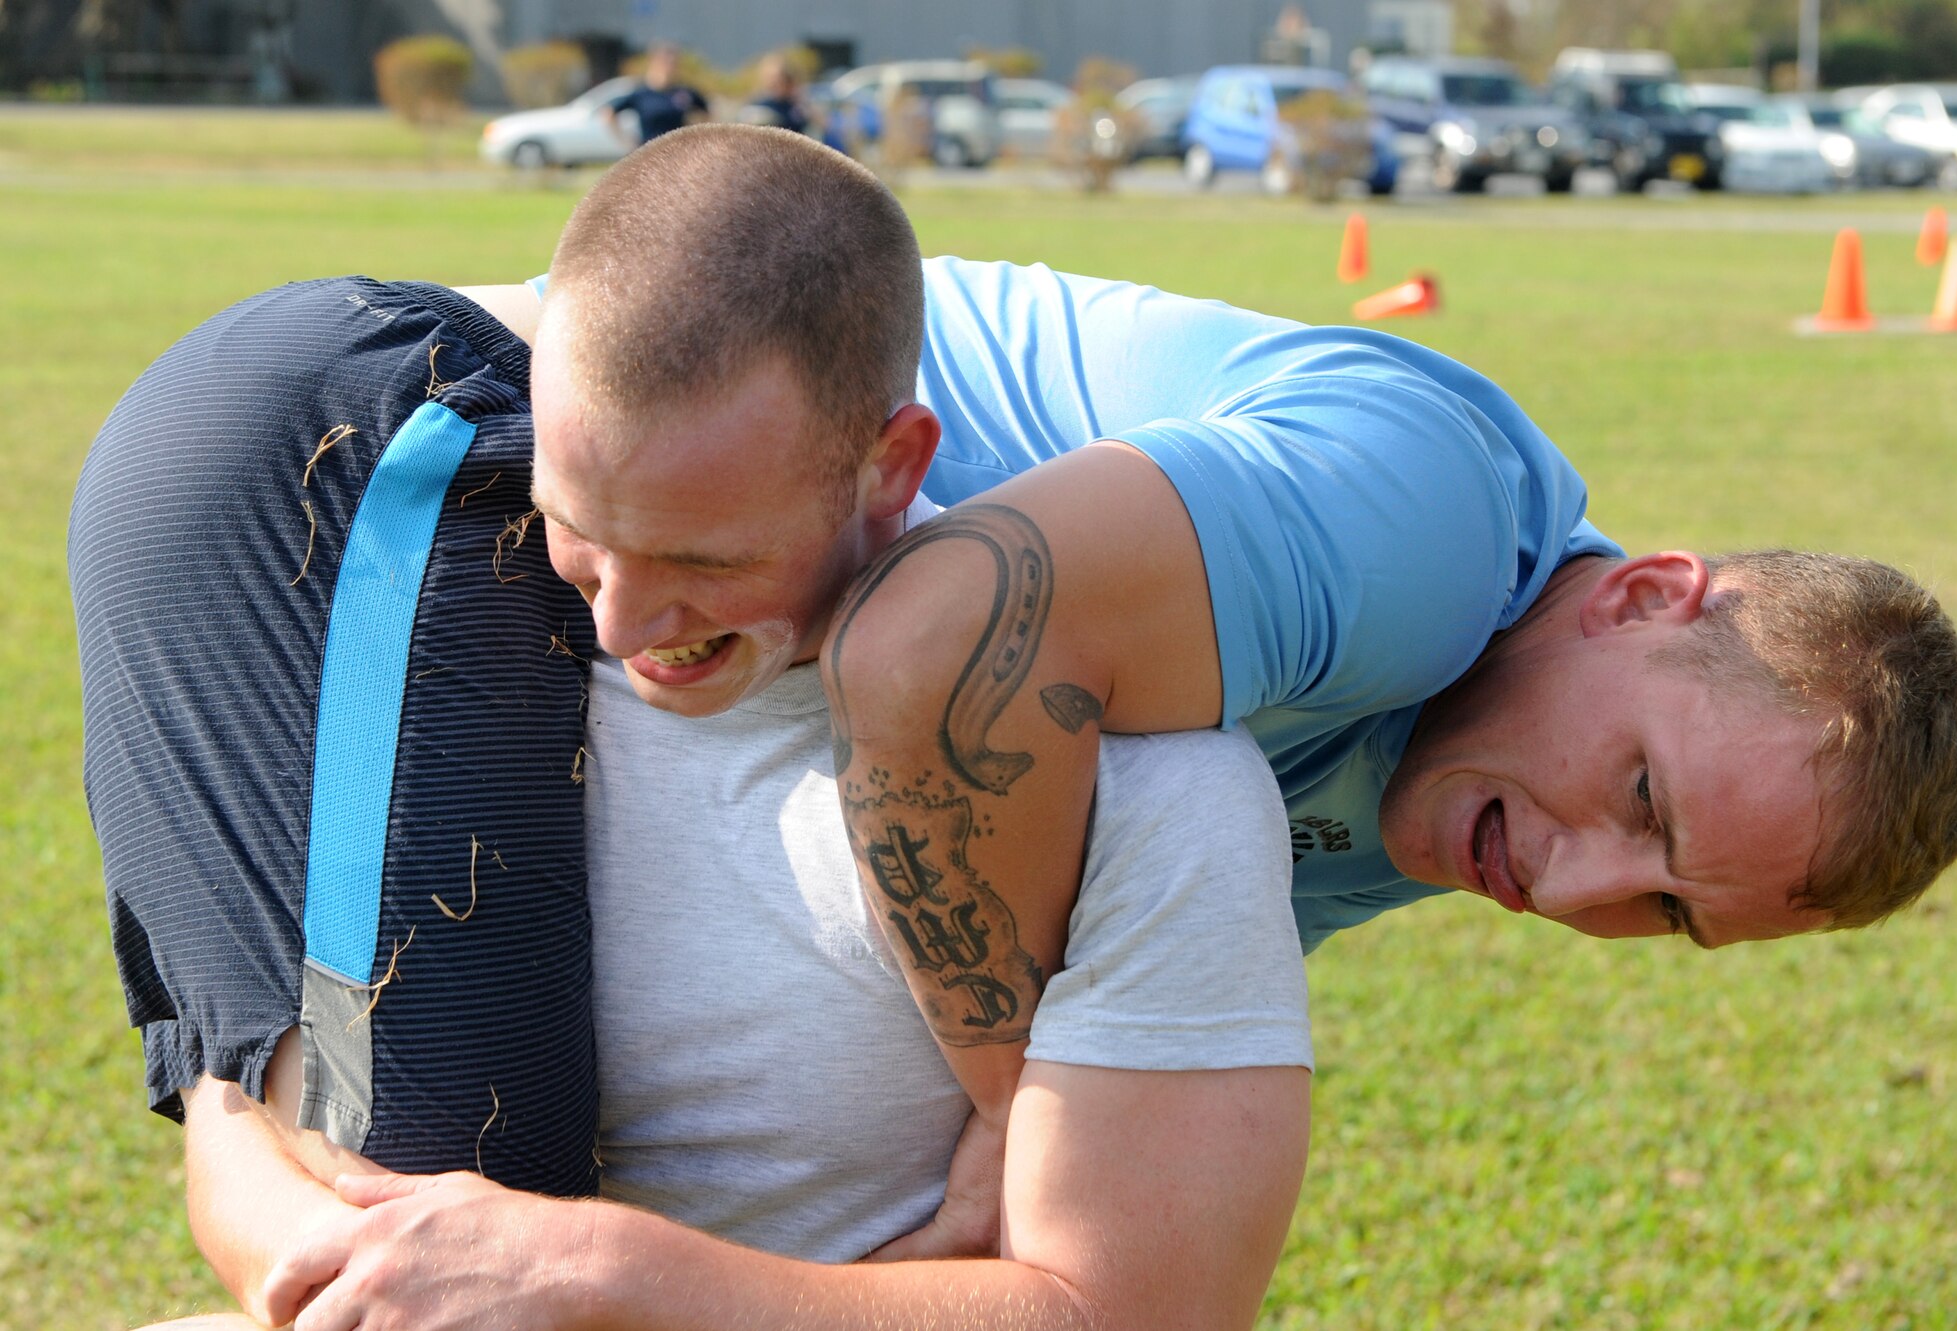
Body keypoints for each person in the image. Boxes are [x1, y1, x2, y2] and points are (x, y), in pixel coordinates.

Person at [76, 132, 1310, 1330]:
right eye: (579, 527)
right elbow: (251, 1143)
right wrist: (333, 1235)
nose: (619, 619)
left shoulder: (1145, 783)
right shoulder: (449, 653)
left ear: (891, 463)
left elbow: (1140, 1307)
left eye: (701, 560)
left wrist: (601, 1276)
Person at [601, 42, 709, 150]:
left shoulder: (683, 92)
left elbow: (706, 112)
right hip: (650, 153)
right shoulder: (642, 94)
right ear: (655, 63)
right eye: (666, 63)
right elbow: (609, 113)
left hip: (679, 152)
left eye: (674, 63)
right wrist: (627, 142)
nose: (670, 67)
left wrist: (695, 136)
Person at [742, 51, 813, 136]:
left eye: (780, 80)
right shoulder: (760, 106)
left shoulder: (796, 106)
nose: (775, 84)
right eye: (772, 79)